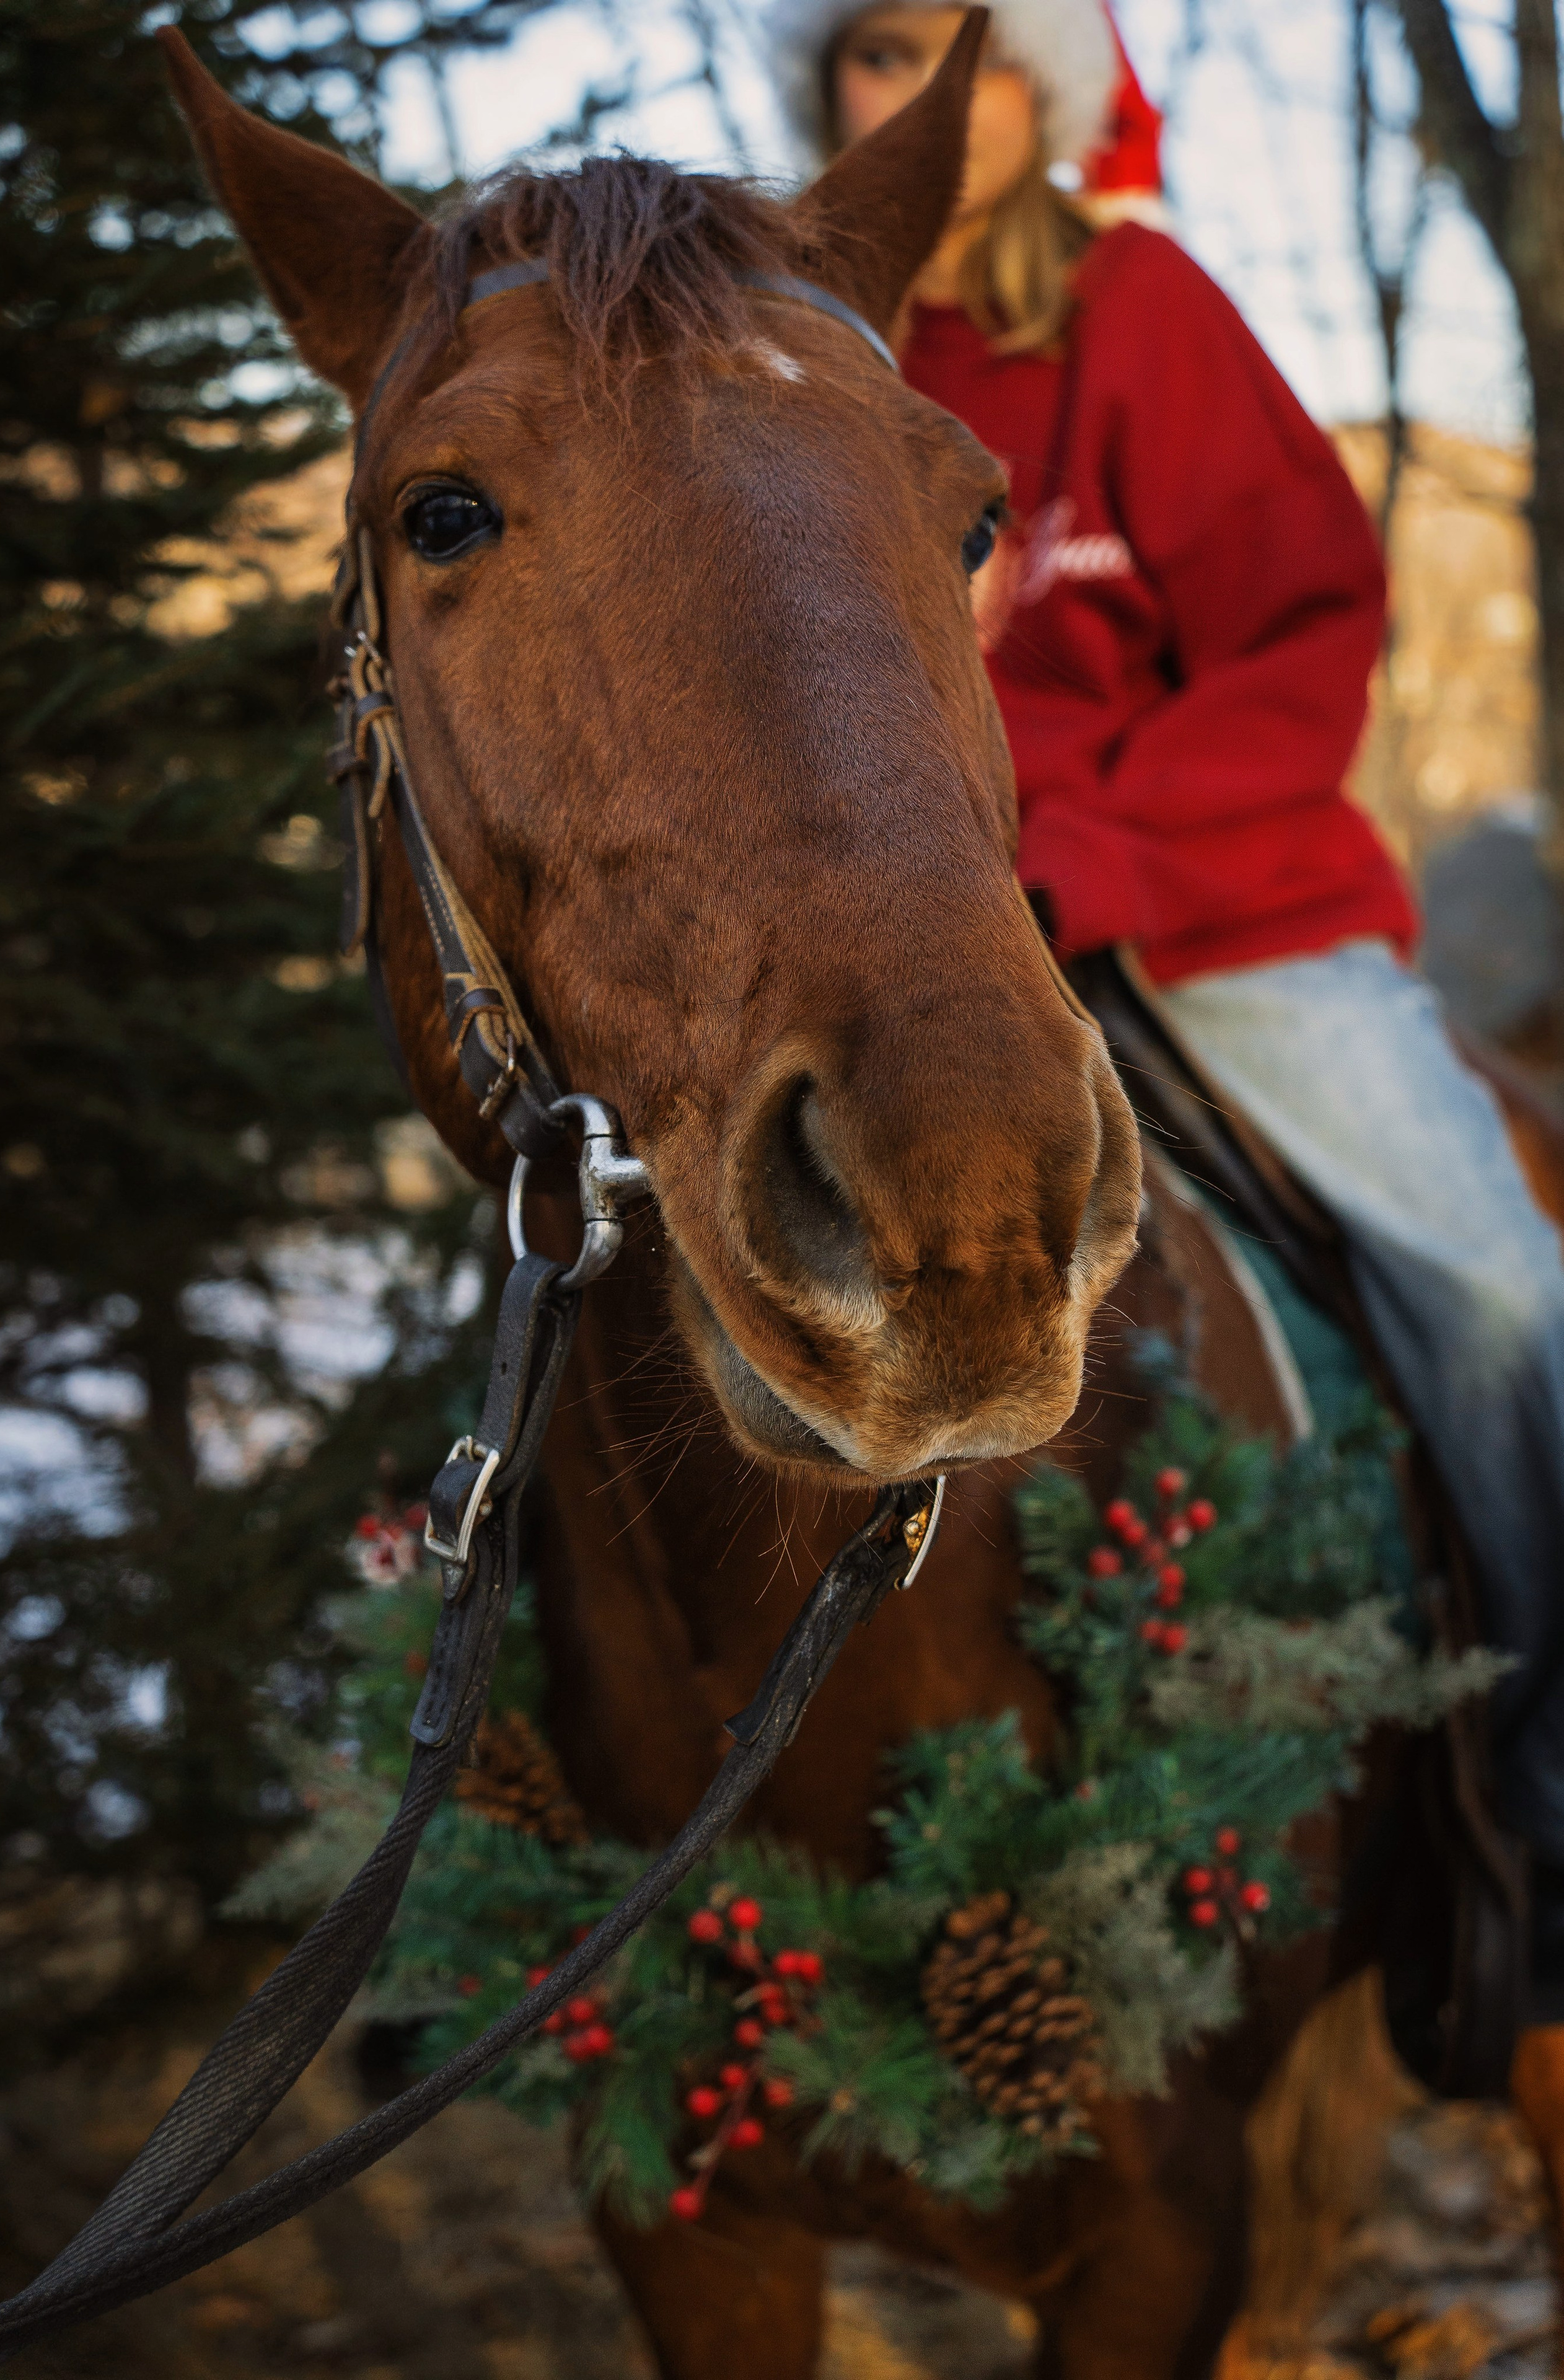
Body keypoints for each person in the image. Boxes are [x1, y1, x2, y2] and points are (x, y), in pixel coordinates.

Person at [762, 0, 1564, 2026]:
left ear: (1050, 91)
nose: (911, 92)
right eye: (868, 52)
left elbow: (1310, 633)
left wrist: (1089, 855)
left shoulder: (1144, 309)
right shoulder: (786, 372)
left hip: (1210, 905)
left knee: (1505, 1294)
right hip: (907, 942)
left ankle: (1547, 1809)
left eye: (961, 46)